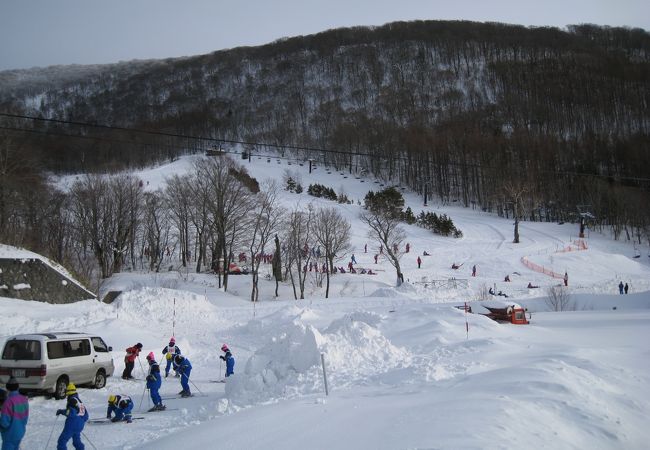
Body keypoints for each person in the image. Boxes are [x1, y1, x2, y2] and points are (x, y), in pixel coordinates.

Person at [0, 377, 28, 450]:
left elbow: (4, 423)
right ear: (17, 387)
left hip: (9, 435)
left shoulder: (8, 402)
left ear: (7, 388)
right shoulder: (24, 399)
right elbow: (25, 417)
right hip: (20, 433)